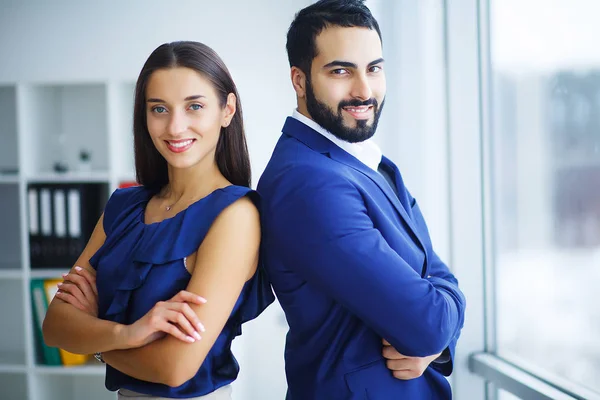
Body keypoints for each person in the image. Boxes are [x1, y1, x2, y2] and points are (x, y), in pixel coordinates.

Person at [257, 1, 466, 398]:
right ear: (299, 81)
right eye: (341, 70)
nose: (364, 90)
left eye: (374, 68)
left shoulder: (369, 164)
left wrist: (435, 346)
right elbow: (428, 322)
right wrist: (434, 332)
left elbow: (440, 282)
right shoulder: (307, 182)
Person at [43, 41, 274, 400]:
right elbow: (55, 328)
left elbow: (175, 368)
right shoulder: (123, 206)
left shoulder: (235, 216)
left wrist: (96, 336)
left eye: (194, 106)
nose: (175, 127)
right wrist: (129, 334)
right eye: (159, 109)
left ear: (227, 110)